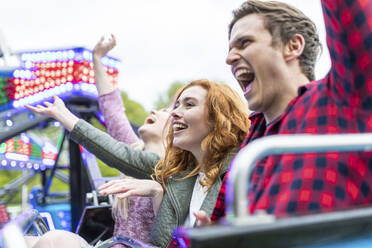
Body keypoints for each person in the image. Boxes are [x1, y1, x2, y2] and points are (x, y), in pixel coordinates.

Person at [26, 79, 250, 247]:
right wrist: (64, 116)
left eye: (188, 105)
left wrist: (157, 192)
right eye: (175, 106)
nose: (174, 114)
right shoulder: (177, 170)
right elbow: (119, 153)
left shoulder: (242, 167)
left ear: (218, 116)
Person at [205, 0, 372, 224]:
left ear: (293, 46)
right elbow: (225, 225)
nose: (229, 59)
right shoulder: (250, 143)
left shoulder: (341, 97)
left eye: (244, 43)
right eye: (230, 49)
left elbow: (352, 14)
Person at [93, 34, 167, 242]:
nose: (152, 110)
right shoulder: (133, 150)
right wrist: (97, 58)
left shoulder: (179, 167)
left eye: (163, 111)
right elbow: (112, 109)